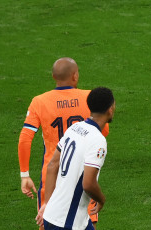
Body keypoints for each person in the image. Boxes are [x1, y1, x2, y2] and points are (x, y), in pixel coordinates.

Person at [18, 57, 109, 227]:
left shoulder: (39, 101)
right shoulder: (89, 97)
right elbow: (103, 131)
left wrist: (25, 175)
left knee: (50, 221)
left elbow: (25, 138)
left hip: (51, 177)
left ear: (53, 76)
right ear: (75, 76)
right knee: (85, 222)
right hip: (80, 175)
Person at [36, 87, 115, 230]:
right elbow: (88, 184)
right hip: (67, 222)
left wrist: (47, 204)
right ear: (110, 109)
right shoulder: (98, 140)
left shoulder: (74, 128)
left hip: (56, 214)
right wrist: (101, 200)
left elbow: (52, 165)